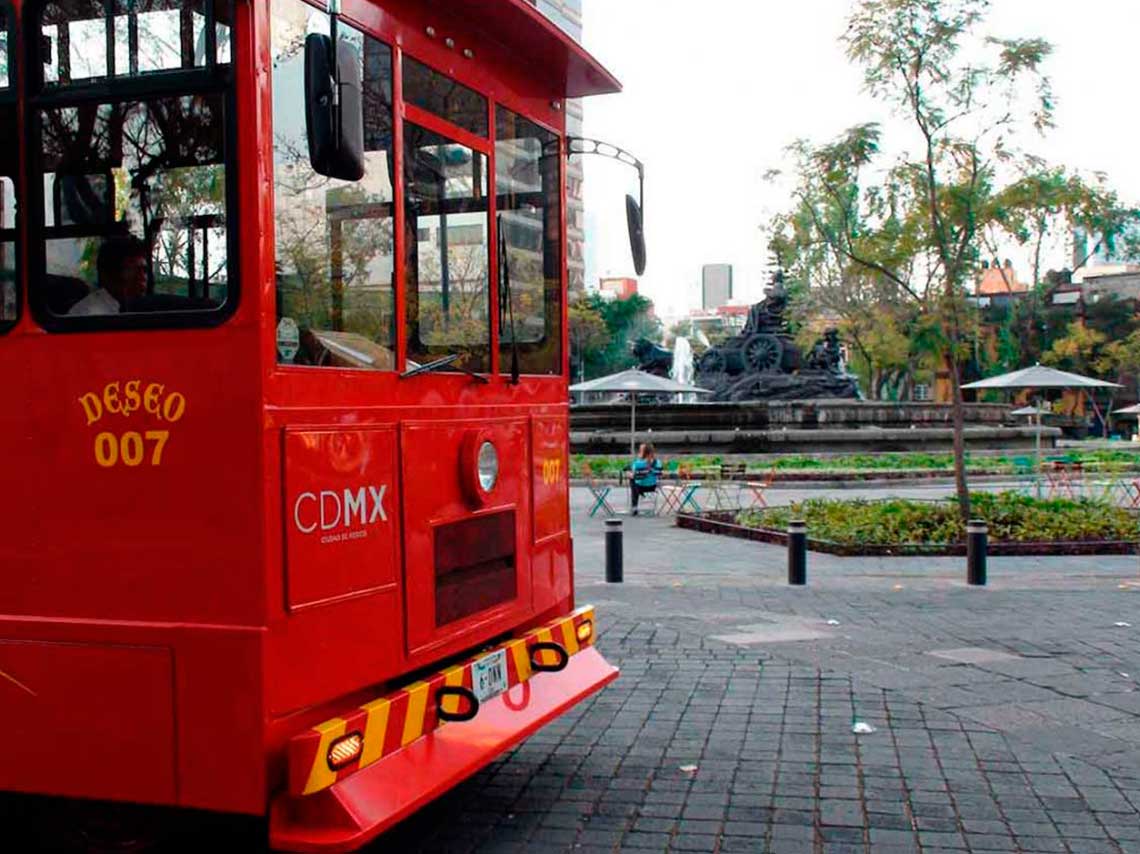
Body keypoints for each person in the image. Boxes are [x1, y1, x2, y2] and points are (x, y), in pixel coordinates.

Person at [68, 236, 148, 316]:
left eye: (144, 270)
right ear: (110, 274)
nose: (142, 277)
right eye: (133, 269)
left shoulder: (122, 305)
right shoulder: (91, 314)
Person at [630, 442, 663, 516]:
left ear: (643, 452)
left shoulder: (638, 463)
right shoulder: (658, 462)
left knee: (632, 480)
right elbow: (659, 475)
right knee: (636, 479)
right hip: (652, 487)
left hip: (640, 488)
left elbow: (633, 475)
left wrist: (629, 475)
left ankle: (634, 506)